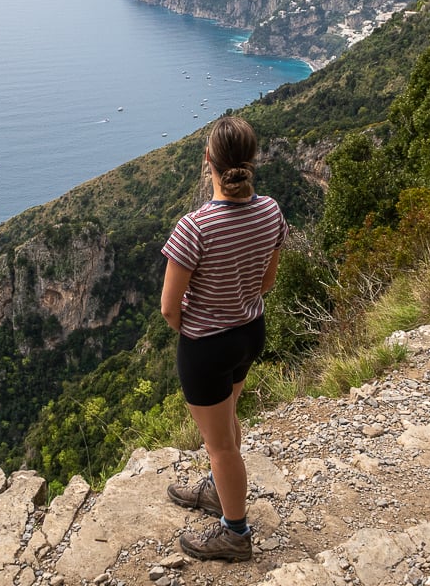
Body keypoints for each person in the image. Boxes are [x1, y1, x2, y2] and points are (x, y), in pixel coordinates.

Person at [160, 115, 287, 562]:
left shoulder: (194, 228)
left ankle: (235, 533)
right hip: (249, 333)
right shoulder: (271, 210)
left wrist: (193, 334)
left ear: (208, 160)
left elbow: (169, 308)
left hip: (207, 347)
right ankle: (217, 492)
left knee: (219, 445)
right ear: (251, 161)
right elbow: (266, 282)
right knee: (227, 420)